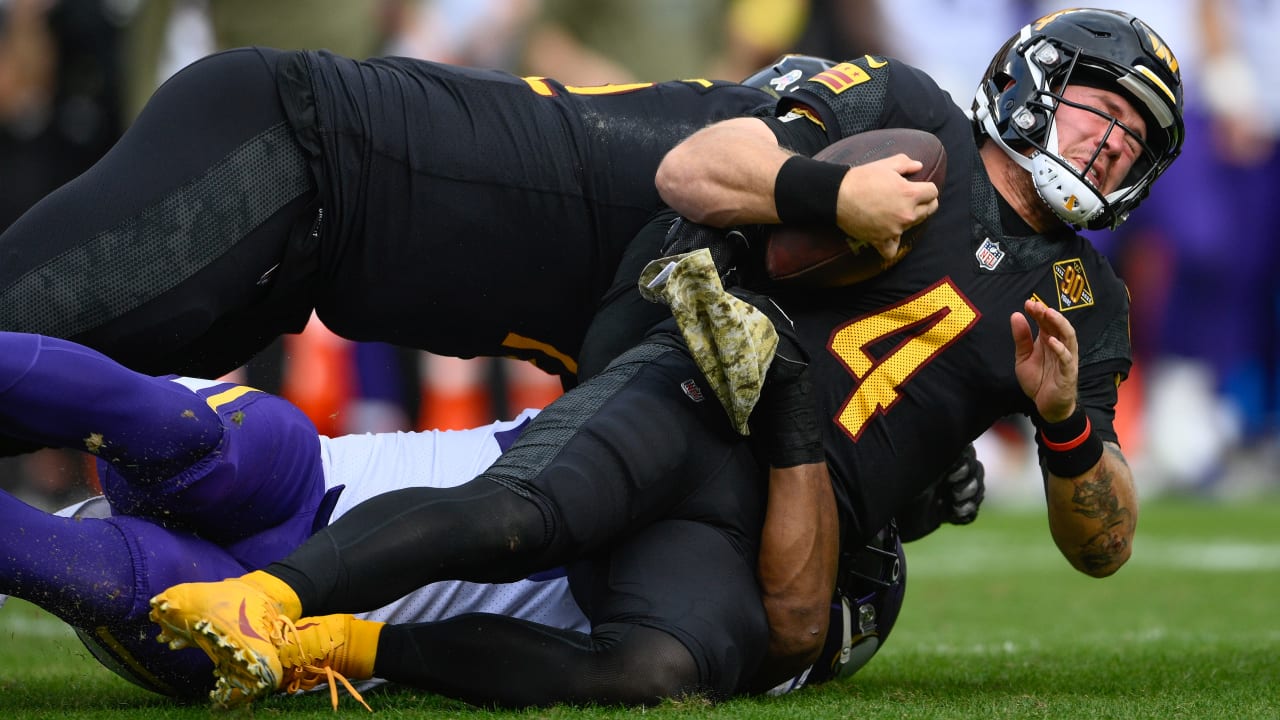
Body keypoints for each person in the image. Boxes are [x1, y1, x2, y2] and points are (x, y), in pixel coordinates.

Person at [149, 6, 1182, 710]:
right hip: (697, 392)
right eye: (1102, 108)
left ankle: (345, 647)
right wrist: (831, 197)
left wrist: (1063, 424)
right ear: (1036, 83)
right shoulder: (912, 116)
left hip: (786, 509)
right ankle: (272, 597)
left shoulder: (1084, 302)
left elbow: (1103, 547)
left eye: (1134, 138)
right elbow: (695, 166)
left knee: (653, 671)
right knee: (519, 513)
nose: (1108, 145)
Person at [0, 329, 910, 704]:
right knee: (191, 439)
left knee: (122, 577)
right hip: (301, 479)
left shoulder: (704, 622)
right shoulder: (690, 439)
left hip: (268, 630)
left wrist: (353, 645)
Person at [0, 45, 772, 384]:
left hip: (297, 261)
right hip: (278, 146)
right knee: (15, 335)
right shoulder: (753, 162)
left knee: (40, 395)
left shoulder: (743, 312)